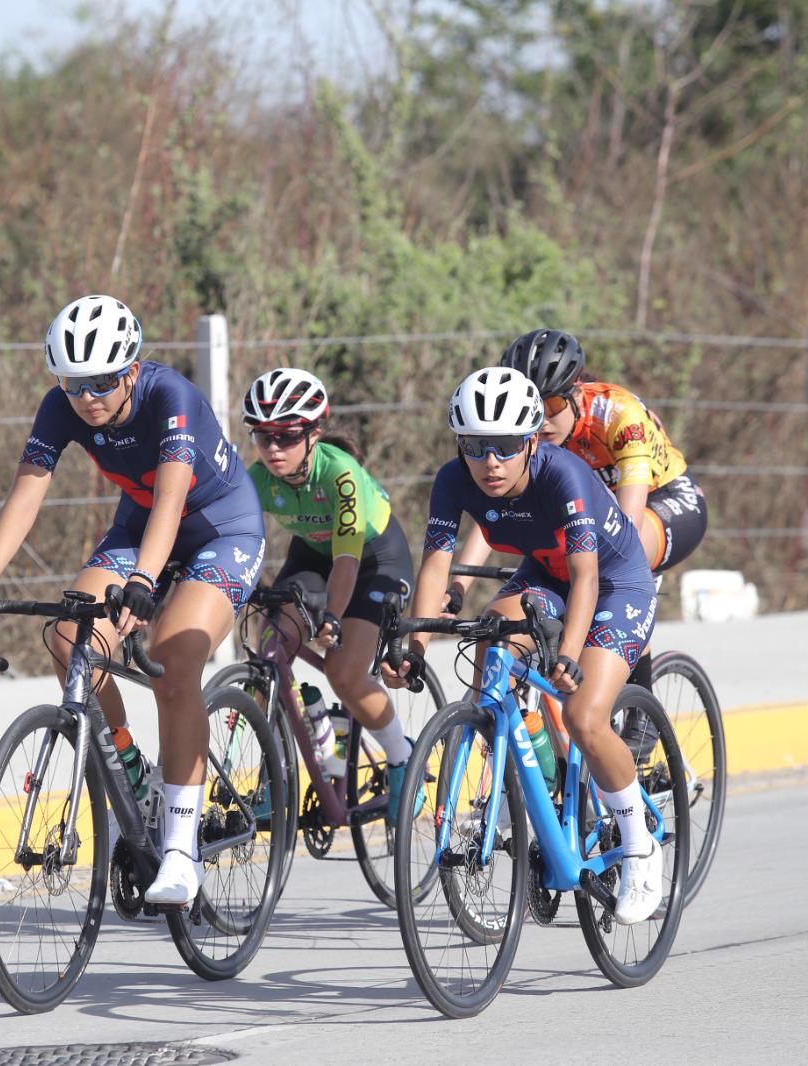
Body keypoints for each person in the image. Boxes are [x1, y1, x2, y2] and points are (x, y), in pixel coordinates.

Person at [0, 294, 265, 906]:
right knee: (71, 639)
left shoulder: (169, 397)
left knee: (174, 663)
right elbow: (28, 490)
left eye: (101, 381)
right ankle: (131, 771)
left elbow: (172, 500)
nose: (87, 396)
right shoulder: (61, 407)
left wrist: (145, 583)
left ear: (129, 369)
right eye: (73, 383)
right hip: (140, 524)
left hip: (221, 529)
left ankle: (179, 846)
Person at [381, 366, 664, 923]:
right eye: (476, 446)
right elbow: (436, 563)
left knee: (584, 716)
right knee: (491, 645)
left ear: (532, 440)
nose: (491, 461)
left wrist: (566, 658)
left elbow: (587, 578)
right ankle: (529, 786)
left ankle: (639, 843)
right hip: (547, 573)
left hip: (615, 579)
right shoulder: (452, 480)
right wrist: (415, 647)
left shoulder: (566, 476)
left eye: (507, 446)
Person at [447, 331, 706, 653]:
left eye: (552, 404)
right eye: (531, 410)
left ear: (577, 392)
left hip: (663, 498)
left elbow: (626, 532)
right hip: (593, 507)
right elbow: (493, 513)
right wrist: (459, 588)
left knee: (610, 564)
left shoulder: (618, 415)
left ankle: (637, 686)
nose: (541, 422)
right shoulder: (525, 440)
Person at [241, 367, 419, 824]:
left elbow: (347, 562)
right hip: (315, 555)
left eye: (286, 436)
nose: (274, 449)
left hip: (373, 560)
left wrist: (334, 617)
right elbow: (232, 532)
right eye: (263, 438)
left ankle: (403, 759)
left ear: (313, 433)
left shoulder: (340, 476)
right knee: (271, 643)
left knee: (344, 671)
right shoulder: (259, 478)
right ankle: (272, 772)